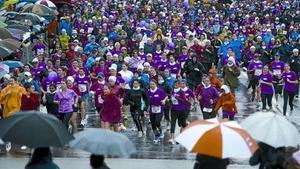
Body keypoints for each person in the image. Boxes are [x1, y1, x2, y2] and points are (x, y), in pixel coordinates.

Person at [168, 80, 189, 145]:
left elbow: (184, 101)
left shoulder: (182, 92)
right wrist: (169, 101)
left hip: (182, 110)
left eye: (177, 84)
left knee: (182, 124)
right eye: (175, 84)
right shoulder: (172, 91)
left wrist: (177, 97)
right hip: (174, 110)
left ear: (179, 85)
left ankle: (184, 133)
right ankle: (172, 138)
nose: (175, 85)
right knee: (173, 123)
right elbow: (171, 100)